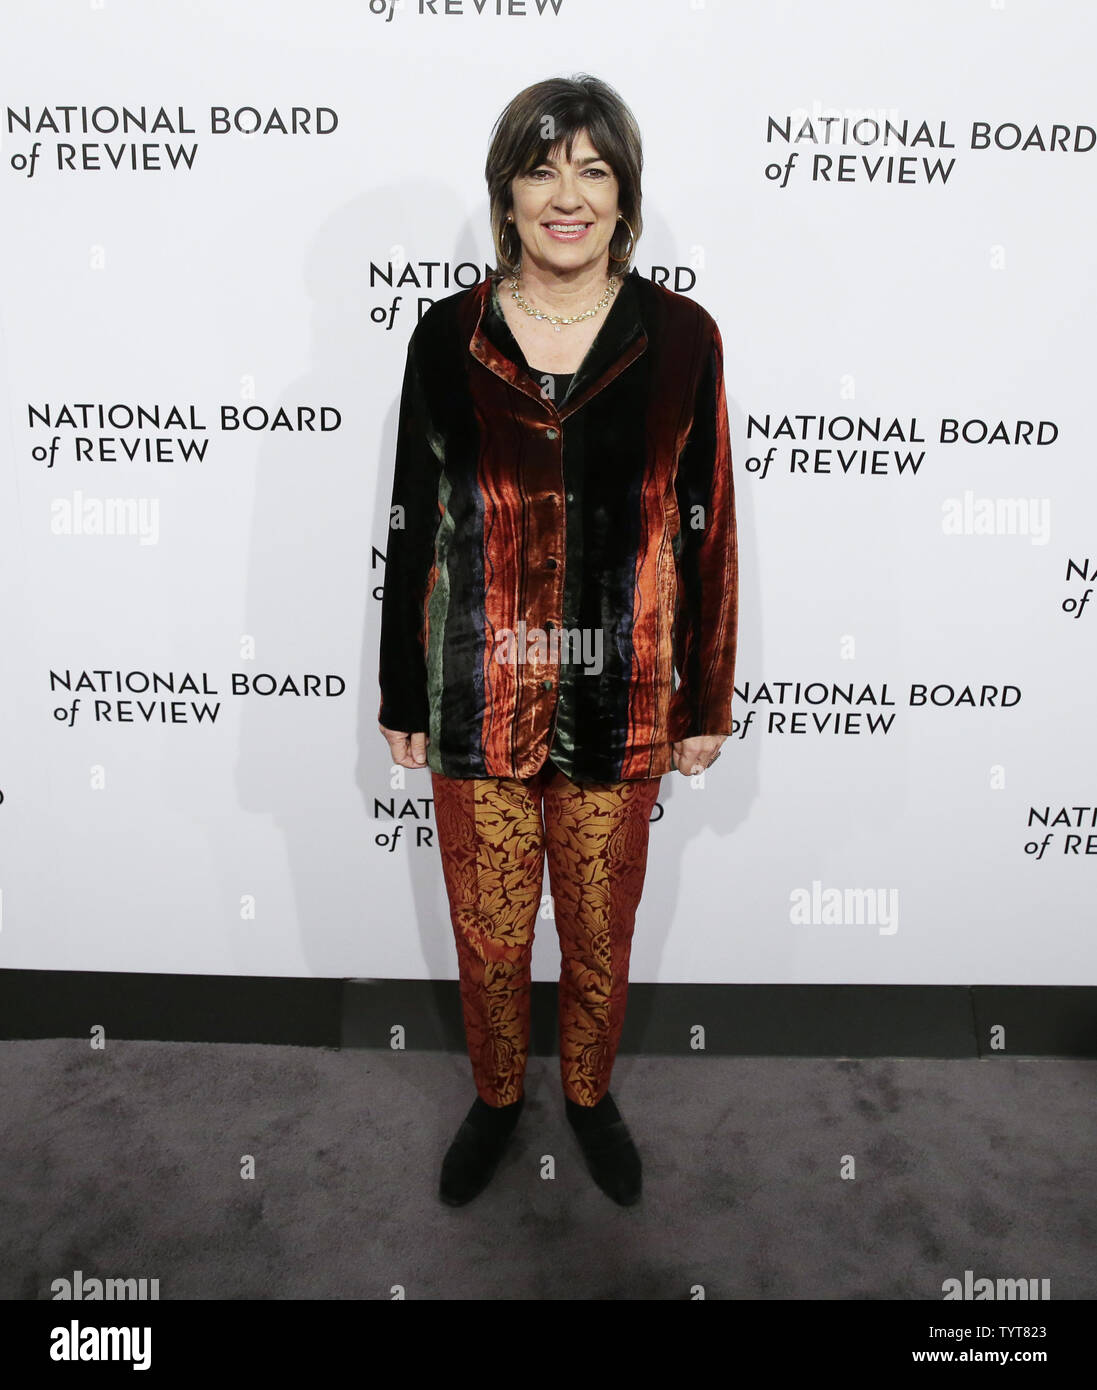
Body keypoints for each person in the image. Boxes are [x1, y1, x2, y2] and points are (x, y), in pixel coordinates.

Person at [377, 74, 738, 1207]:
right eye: (541, 168)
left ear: (625, 195)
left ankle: (585, 1094)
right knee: (488, 940)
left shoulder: (680, 339)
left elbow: (706, 529)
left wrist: (702, 700)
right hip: (478, 692)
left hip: (621, 696)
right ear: (507, 195)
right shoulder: (449, 337)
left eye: (593, 168)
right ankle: (494, 1098)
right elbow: (411, 520)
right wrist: (401, 693)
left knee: (596, 929)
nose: (566, 195)